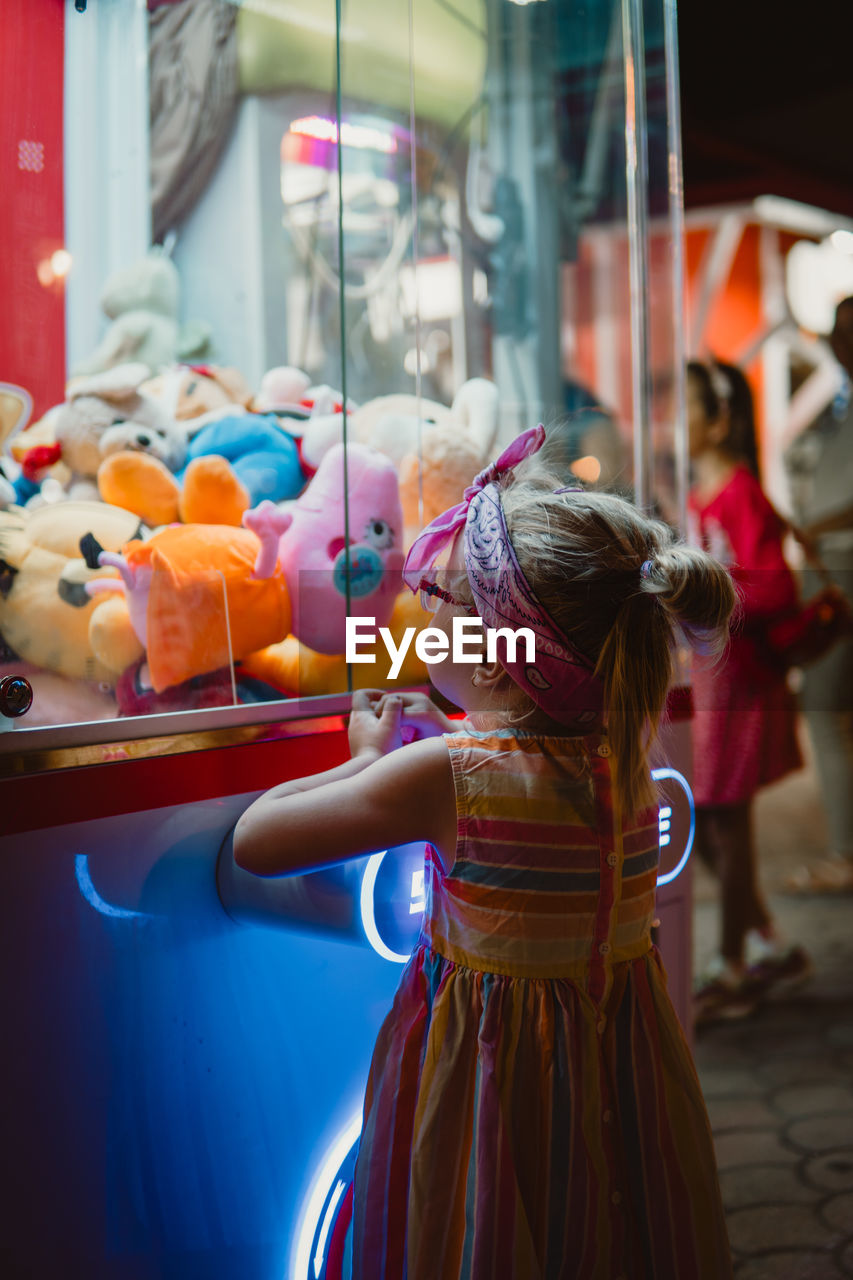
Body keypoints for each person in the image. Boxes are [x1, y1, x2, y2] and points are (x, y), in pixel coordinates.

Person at [234, 425, 735, 1278]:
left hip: (489, 1084)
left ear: (503, 663)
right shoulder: (622, 764)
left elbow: (256, 843)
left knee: (487, 1232)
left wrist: (362, 762)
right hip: (618, 1075)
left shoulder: (449, 774)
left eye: (441, 600)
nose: (421, 612)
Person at [687, 358, 813, 1024]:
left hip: (738, 686)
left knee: (727, 825)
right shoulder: (698, 496)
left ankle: (729, 964)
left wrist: (707, 585)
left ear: (718, 419)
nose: (672, 420)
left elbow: (775, 585)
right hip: (712, 686)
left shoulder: (738, 494)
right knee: (710, 822)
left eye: (684, 406)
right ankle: (771, 944)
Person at [783, 296, 853, 892]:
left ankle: (845, 854)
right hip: (831, 569)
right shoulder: (838, 408)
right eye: (840, 333)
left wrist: (811, 529)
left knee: (828, 713)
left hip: (840, 570)